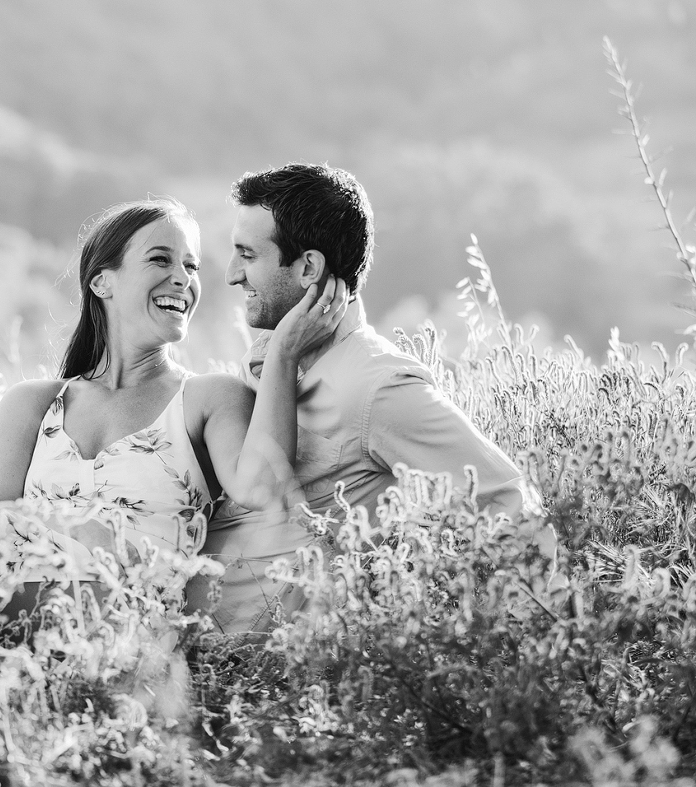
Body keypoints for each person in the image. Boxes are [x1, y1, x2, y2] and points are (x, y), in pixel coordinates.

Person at [0, 197, 347, 628]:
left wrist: (283, 353)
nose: (183, 278)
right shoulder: (34, 405)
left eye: (191, 266)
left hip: (124, 613)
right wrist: (76, 526)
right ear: (102, 281)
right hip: (18, 601)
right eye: (161, 260)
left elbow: (265, 488)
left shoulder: (208, 398)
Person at [196, 163, 536, 633]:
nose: (233, 274)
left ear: (308, 268)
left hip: (263, 675)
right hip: (183, 642)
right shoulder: (272, 359)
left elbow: (508, 502)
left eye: (247, 255)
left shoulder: (378, 387)